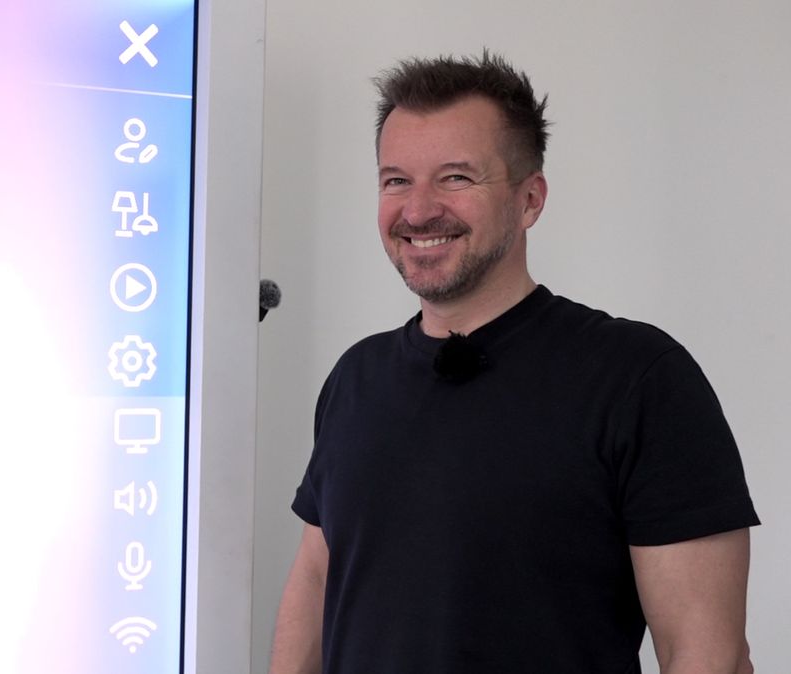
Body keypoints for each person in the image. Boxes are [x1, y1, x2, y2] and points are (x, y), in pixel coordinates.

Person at [270, 52, 759, 673]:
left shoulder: (637, 378)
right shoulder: (355, 378)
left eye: (456, 178)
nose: (417, 211)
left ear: (530, 199)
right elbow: (317, 579)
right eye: (396, 180)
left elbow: (708, 653)